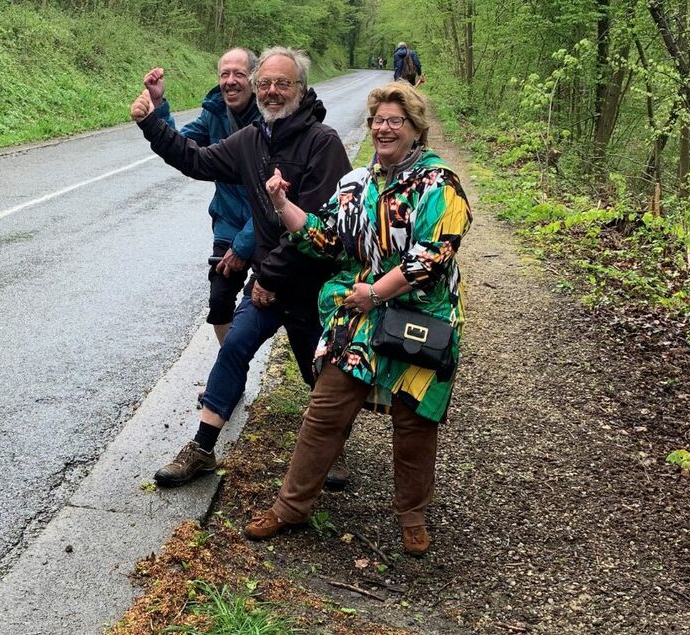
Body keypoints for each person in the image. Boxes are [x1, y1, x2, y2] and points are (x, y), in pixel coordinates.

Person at [244, 81, 471, 555]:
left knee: (413, 420)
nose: (384, 129)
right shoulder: (357, 183)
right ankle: (291, 507)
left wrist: (377, 292)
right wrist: (283, 204)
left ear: (415, 129)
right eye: (377, 121)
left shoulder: (440, 183)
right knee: (326, 408)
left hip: (419, 314)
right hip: (359, 313)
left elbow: (434, 254)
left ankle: (412, 516)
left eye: (395, 121)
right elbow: (323, 239)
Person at [130, 47, 353, 488]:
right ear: (257, 88)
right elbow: (197, 159)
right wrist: (152, 123)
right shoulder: (251, 140)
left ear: (300, 89)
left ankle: (333, 450)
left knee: (319, 371)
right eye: (265, 83)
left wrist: (268, 276)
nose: (272, 91)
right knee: (234, 349)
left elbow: (321, 225)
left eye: (282, 83)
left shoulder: (322, 144)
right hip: (266, 286)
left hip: (311, 285)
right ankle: (202, 448)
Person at [144, 49, 261, 351]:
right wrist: (158, 104)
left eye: (239, 74)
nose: (230, 81)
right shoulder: (215, 111)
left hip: (269, 225)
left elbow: (277, 200)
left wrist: (243, 246)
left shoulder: (271, 118)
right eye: (225, 74)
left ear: (255, 78)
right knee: (220, 300)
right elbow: (181, 146)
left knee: (271, 304)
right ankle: (232, 373)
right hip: (228, 221)